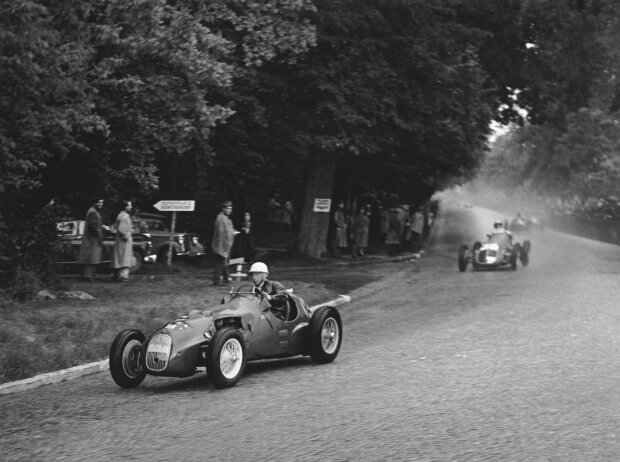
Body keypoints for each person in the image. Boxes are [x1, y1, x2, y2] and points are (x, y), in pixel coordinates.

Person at [78, 198, 107, 281]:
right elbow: (92, 226)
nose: (101, 204)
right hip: (92, 240)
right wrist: (98, 234)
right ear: (95, 202)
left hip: (92, 239)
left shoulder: (93, 211)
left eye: (102, 202)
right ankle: (88, 276)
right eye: (99, 202)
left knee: (92, 258)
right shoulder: (93, 212)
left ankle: (88, 275)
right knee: (91, 258)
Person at [211, 201, 239, 285]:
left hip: (224, 244)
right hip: (221, 244)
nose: (230, 210)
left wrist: (234, 232)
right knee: (220, 263)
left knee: (224, 262)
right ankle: (216, 280)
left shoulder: (226, 218)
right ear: (223, 209)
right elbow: (221, 233)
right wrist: (223, 247)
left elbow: (228, 231)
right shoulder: (221, 218)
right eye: (228, 208)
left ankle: (226, 279)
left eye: (231, 208)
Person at [111, 200, 134, 282]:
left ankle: (117, 275)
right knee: (125, 258)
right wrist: (126, 235)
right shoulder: (124, 216)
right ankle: (123, 276)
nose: (131, 207)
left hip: (121, 240)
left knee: (119, 257)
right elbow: (121, 229)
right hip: (124, 241)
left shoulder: (121, 215)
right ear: (126, 207)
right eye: (129, 205)